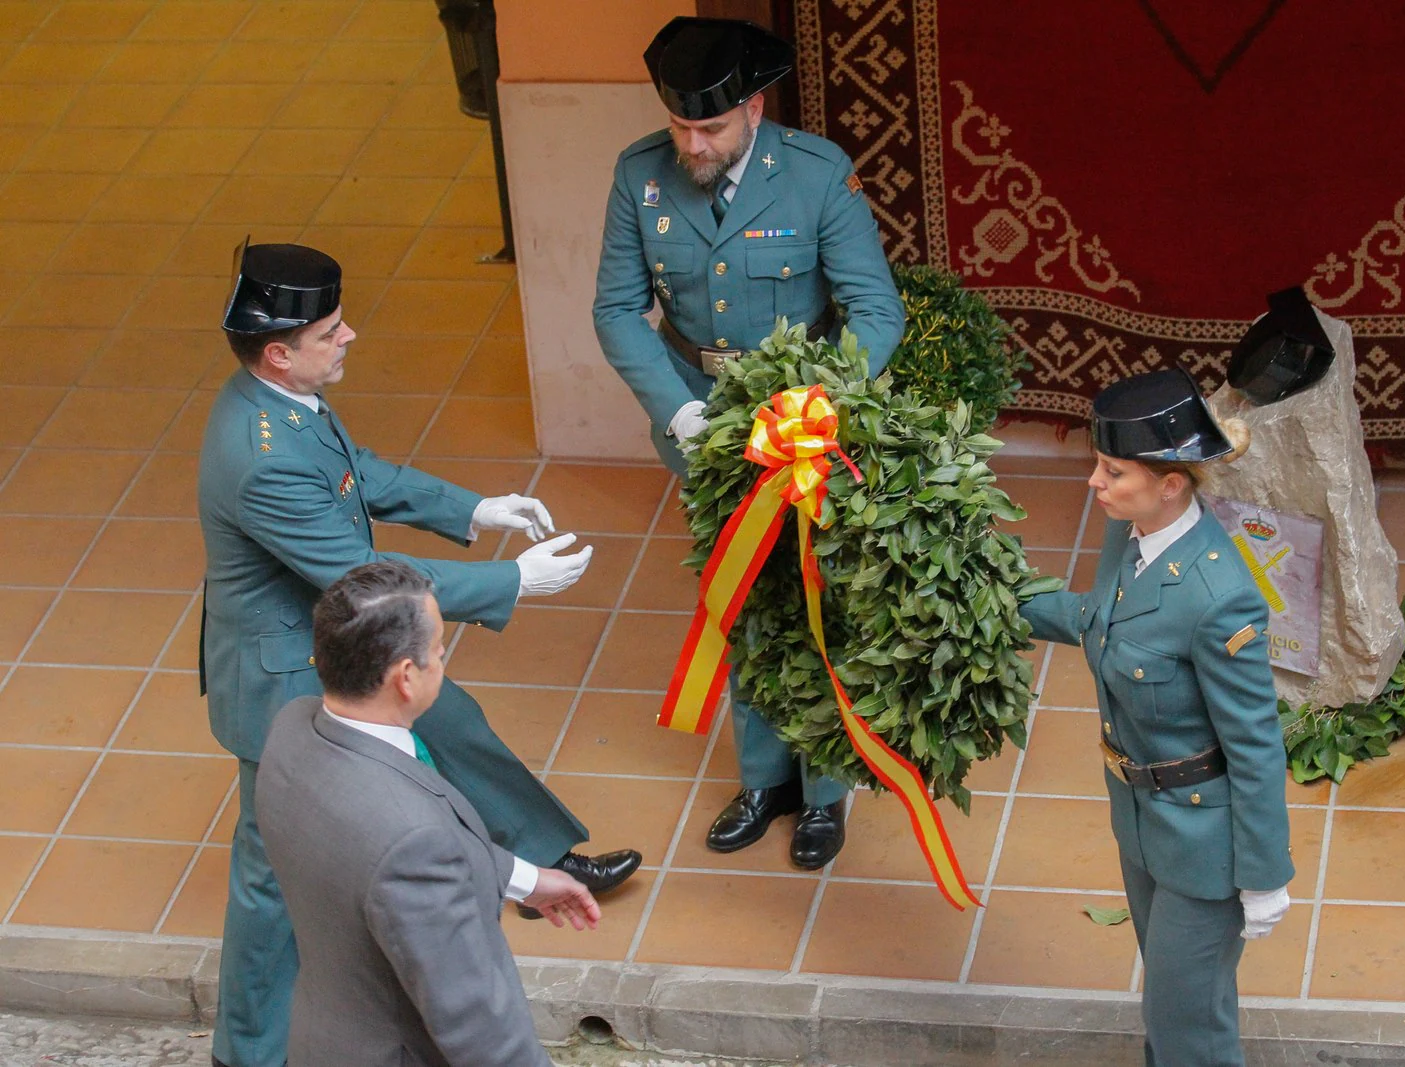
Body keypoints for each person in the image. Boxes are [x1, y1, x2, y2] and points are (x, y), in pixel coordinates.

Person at [200, 240, 640, 1067]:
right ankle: (247, 1052)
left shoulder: (289, 400)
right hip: (282, 678)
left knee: (453, 719)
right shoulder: (260, 456)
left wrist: (475, 507)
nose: (350, 336)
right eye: (332, 330)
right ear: (278, 350)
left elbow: (357, 473)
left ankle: (538, 859)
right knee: (268, 891)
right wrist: (509, 582)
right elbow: (358, 573)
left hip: (319, 639)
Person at [592, 16, 906, 869]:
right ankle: (764, 781)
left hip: (803, 427)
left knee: (815, 602)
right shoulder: (640, 178)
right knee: (738, 602)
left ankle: (826, 791)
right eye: (681, 125)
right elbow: (617, 308)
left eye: (711, 128)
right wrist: (676, 409)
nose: (692, 142)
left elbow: (876, 312)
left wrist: (818, 409)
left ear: (755, 110)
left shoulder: (815, 176)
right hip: (700, 425)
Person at [1019, 368, 1294, 1067]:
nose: (1094, 482)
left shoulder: (1218, 597)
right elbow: (1096, 618)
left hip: (1206, 846)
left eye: (1113, 471)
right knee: (1178, 1013)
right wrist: (996, 600)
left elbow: (1255, 742)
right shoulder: (1134, 534)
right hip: (1141, 821)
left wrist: (1264, 874)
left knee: (1185, 1028)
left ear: (1172, 482)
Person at [257, 561, 599, 1067]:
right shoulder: (411, 843)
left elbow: (374, 861)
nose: (442, 660)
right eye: (439, 652)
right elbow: (478, 1027)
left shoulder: (291, 730)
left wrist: (523, 879)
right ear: (407, 676)